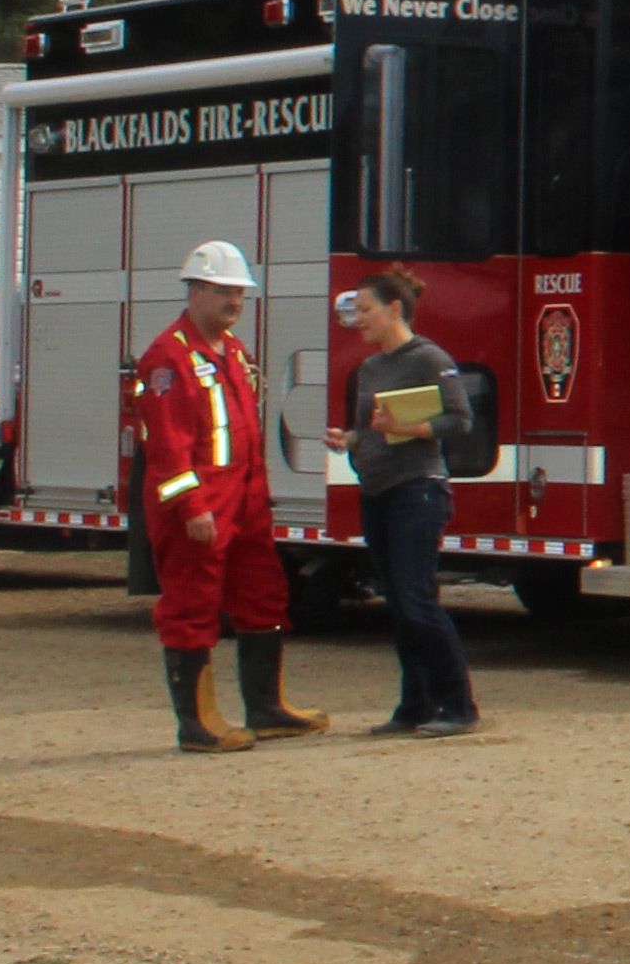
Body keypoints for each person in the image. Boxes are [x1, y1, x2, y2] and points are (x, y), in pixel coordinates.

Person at [134, 240, 325, 752]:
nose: (235, 302)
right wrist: (192, 507)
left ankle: (266, 708)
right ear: (195, 290)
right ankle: (197, 724)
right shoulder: (168, 357)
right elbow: (167, 448)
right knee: (192, 603)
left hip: (245, 499)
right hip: (200, 505)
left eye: (239, 293)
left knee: (263, 596)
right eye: (223, 291)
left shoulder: (235, 351)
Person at [330, 268, 479, 737]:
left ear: (395, 309)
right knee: (398, 602)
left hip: (417, 489)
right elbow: (367, 428)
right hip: (376, 490)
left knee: (417, 599)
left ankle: (458, 705)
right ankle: (414, 705)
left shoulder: (429, 358)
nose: (359, 320)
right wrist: (348, 438)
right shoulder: (370, 368)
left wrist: (412, 428)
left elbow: (460, 419)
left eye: (367, 310)